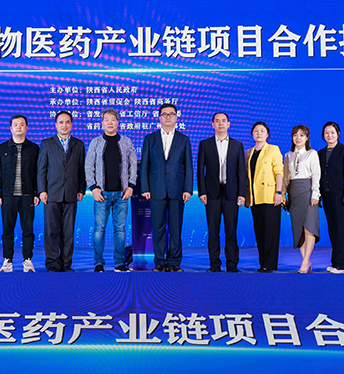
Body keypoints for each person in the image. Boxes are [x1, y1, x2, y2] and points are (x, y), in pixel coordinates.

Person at [140, 103, 193, 272]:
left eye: (171, 114)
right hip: (156, 189)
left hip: (177, 190)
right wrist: (145, 188)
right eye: (165, 114)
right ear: (159, 117)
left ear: (177, 117)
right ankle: (160, 262)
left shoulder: (184, 139)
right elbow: (145, 165)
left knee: (176, 228)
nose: (168, 117)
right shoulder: (150, 138)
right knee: (158, 228)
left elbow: (188, 166)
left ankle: (174, 262)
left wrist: (188, 189)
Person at [85, 108, 137, 272]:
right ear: (101, 123)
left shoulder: (126, 142)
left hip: (122, 194)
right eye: (106, 120)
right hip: (101, 194)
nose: (110, 123)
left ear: (118, 122)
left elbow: (133, 165)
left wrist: (131, 186)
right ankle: (98, 263)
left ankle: (119, 263)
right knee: (99, 230)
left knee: (120, 230)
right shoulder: (96, 142)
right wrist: (93, 188)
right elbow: (89, 166)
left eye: (113, 120)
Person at [197, 112, 247, 272]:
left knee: (231, 230)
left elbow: (241, 171)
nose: (220, 123)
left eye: (223, 121)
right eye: (217, 121)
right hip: (211, 193)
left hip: (231, 193)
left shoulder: (237, 145)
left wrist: (242, 193)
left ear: (228, 124)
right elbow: (200, 170)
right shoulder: (205, 144)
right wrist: (202, 191)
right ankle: (214, 264)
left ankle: (232, 264)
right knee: (213, 231)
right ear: (212, 124)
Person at [37, 111, 86, 272]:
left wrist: (81, 189)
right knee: (51, 230)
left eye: (67, 122)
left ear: (71, 124)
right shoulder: (47, 143)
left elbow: (81, 169)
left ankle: (66, 263)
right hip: (51, 193)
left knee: (68, 231)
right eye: (61, 122)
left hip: (71, 193)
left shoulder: (78, 144)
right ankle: (52, 262)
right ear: (55, 125)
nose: (64, 125)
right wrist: (42, 190)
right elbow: (42, 170)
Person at [0, 114, 40, 273]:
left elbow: (38, 173)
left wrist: (37, 193)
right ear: (10, 128)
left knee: (28, 230)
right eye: (16, 125)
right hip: (7, 196)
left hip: (27, 196)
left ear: (26, 128)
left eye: (22, 124)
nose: (19, 127)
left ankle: (28, 260)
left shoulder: (34, 149)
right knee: (7, 230)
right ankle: (8, 261)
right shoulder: (2, 149)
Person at [245, 121, 284, 273]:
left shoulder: (273, 149)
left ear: (267, 134)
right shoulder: (248, 152)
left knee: (271, 232)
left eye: (262, 131)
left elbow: (279, 172)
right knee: (260, 232)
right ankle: (263, 264)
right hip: (255, 197)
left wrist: (279, 192)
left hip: (270, 196)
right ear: (252, 134)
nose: (259, 133)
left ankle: (270, 264)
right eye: (256, 131)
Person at [283, 124, 321, 274]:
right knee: (298, 228)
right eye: (295, 135)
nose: (298, 138)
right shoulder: (288, 155)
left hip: (308, 191)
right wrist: (284, 194)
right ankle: (306, 260)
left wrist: (315, 194)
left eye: (301, 135)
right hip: (294, 192)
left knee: (309, 228)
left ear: (307, 138)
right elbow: (286, 178)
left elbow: (316, 175)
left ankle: (305, 263)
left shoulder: (312, 153)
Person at [319, 121, 344, 274]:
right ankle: (335, 262)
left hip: (341, 197)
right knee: (333, 230)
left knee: (343, 230)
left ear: (338, 134)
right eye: (326, 133)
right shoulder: (320, 153)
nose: (329, 135)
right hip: (327, 196)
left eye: (332, 132)